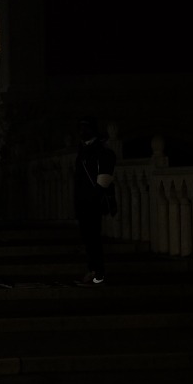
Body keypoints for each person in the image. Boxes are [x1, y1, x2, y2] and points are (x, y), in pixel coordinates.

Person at [73, 116, 117, 286]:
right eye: (80, 128)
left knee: (93, 238)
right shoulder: (84, 150)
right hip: (84, 200)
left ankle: (97, 273)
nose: (81, 132)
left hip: (92, 201)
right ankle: (94, 270)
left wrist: (96, 197)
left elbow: (104, 178)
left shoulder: (100, 151)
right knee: (88, 238)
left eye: (85, 128)